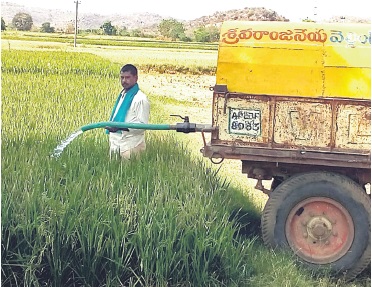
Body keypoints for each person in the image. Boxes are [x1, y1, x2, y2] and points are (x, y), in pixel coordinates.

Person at [105, 64, 150, 160]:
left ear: (136, 78)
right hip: (116, 144)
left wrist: (120, 127)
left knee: (129, 174)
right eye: (122, 78)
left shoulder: (140, 99)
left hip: (131, 144)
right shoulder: (123, 95)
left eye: (128, 77)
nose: (124, 81)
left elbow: (142, 125)